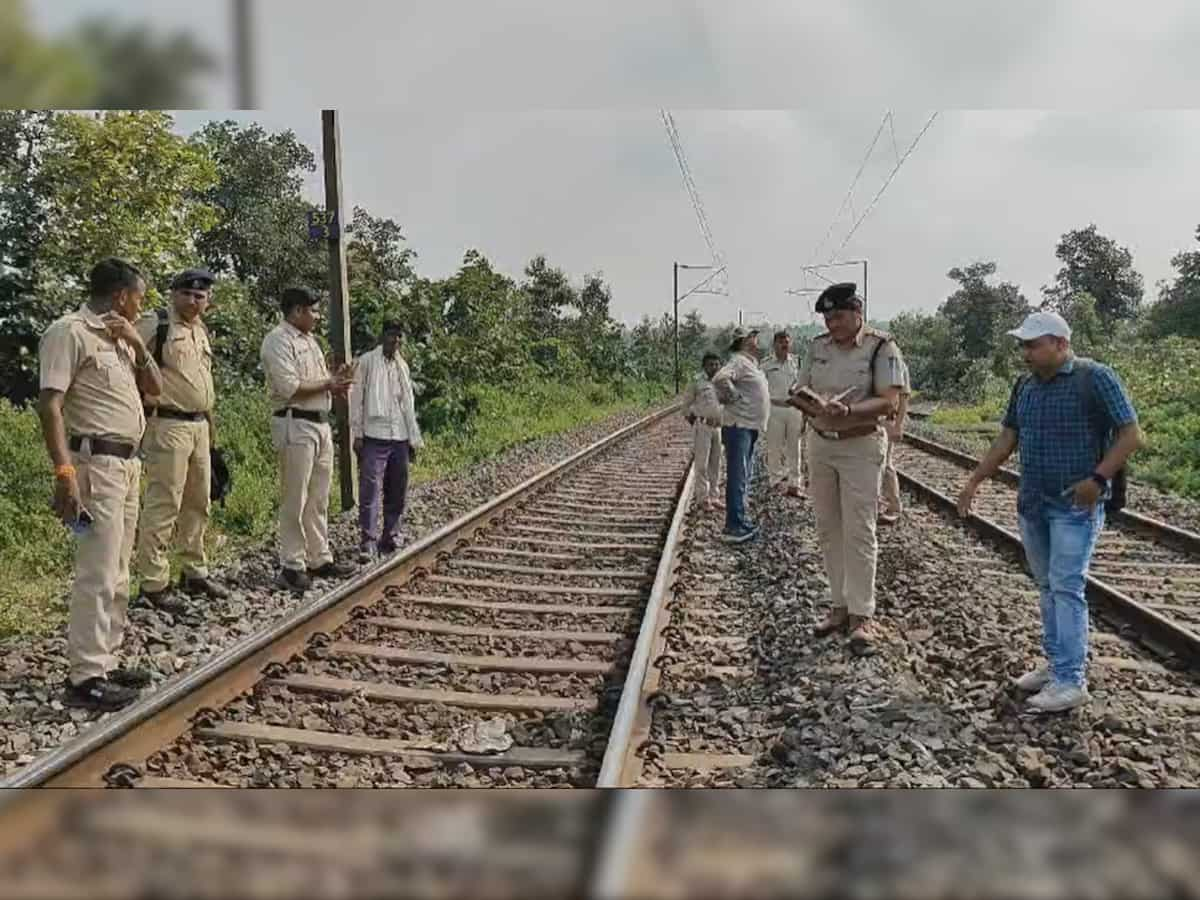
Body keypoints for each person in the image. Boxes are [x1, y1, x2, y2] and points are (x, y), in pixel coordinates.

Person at [957, 311, 1142, 713]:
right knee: (1047, 588)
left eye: (1032, 345)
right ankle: (1058, 665)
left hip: (1074, 506)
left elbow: (1131, 434)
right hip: (1034, 503)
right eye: (1023, 344)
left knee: (1066, 586)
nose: (1025, 352)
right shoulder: (1025, 385)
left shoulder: (1095, 378)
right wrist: (975, 481)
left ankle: (1071, 680)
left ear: (1060, 343)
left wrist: (1097, 479)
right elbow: (1008, 438)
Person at [37, 258, 163, 711]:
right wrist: (64, 473)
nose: (141, 305)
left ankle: (105, 660)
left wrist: (136, 343)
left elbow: (156, 389)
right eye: (139, 298)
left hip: (127, 465)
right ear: (120, 296)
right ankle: (85, 675)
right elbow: (50, 406)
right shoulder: (69, 332)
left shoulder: (121, 337)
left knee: (120, 568)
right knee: (97, 568)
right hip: (96, 466)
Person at [790, 283, 905, 654]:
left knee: (859, 530)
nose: (832, 323)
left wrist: (848, 411)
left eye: (838, 316)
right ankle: (838, 605)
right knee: (827, 528)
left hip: (860, 444)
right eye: (826, 317)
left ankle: (862, 615)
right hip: (821, 445)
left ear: (858, 313)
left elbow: (890, 401)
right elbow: (799, 388)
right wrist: (810, 403)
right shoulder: (817, 347)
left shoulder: (882, 349)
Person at [134, 268, 228, 616]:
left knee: (198, 501)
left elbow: (202, 384)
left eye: (200, 295)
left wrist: (211, 433)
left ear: (208, 300)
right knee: (164, 502)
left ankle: (194, 569)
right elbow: (127, 363)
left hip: (199, 425)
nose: (193, 300)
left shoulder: (200, 330)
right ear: (174, 294)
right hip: (168, 422)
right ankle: (153, 582)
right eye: (187, 293)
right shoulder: (155, 323)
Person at [260, 287, 356, 593]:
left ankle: (319, 556)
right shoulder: (278, 340)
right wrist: (330, 382)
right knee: (295, 496)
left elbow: (314, 384)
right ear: (298, 311)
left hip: (319, 423)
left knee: (318, 497)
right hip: (295, 423)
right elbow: (290, 387)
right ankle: (292, 563)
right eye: (313, 311)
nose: (317, 316)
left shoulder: (310, 342)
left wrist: (333, 384)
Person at [349, 320, 424, 563]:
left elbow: (408, 405)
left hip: (399, 436)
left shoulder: (401, 365)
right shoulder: (367, 362)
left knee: (397, 489)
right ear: (383, 336)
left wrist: (413, 439)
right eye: (392, 336)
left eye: (400, 337)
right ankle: (368, 541)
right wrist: (357, 433)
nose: (396, 341)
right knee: (370, 489)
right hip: (374, 435)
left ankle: (391, 535)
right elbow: (357, 398)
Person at [712, 328, 770, 543]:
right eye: (753, 336)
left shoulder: (749, 363)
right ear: (745, 341)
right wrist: (733, 396)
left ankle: (740, 520)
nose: (757, 339)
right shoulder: (738, 361)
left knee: (743, 477)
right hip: (739, 427)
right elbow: (720, 378)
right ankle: (733, 526)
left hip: (747, 426)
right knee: (738, 477)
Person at [680, 352, 725, 512]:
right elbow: (685, 405)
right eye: (710, 364)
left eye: (716, 364)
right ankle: (703, 498)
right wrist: (694, 420)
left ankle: (714, 496)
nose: (714, 367)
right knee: (702, 464)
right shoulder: (697, 383)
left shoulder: (723, 383)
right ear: (704, 366)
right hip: (703, 426)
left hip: (718, 428)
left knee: (716, 463)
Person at [761, 330, 804, 497]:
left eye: (787, 342)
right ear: (774, 345)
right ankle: (776, 480)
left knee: (795, 448)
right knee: (774, 447)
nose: (785, 345)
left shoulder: (797, 363)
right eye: (781, 342)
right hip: (774, 409)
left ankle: (795, 483)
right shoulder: (766, 366)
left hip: (794, 409)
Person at [878, 358, 912, 524]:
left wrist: (898, 425)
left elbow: (904, 399)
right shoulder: (876, 361)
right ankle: (878, 504)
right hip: (872, 419)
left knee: (885, 464)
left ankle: (894, 505)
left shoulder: (899, 366)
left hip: (887, 419)